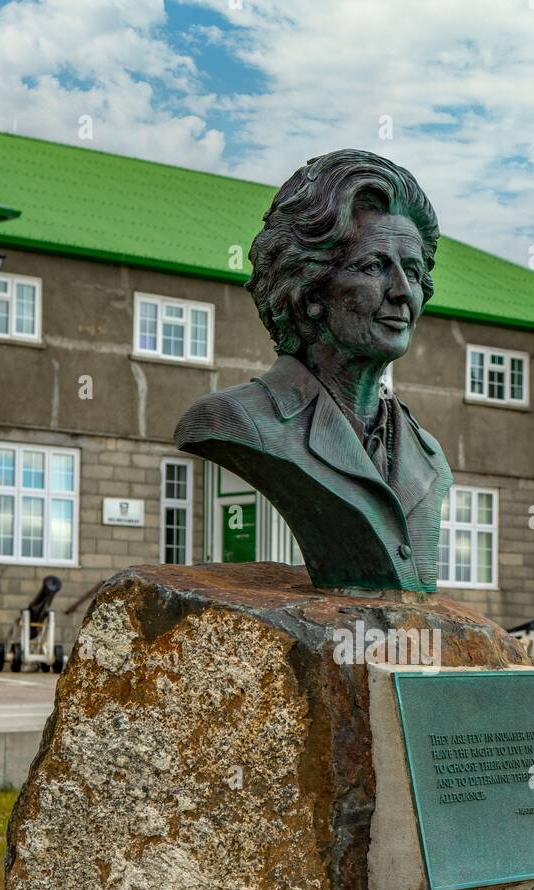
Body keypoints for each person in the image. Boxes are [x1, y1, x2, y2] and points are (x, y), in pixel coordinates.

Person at [174, 149, 453, 591]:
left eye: (414, 272)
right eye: (374, 266)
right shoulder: (237, 421)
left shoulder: (429, 457)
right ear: (309, 290)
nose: (404, 291)